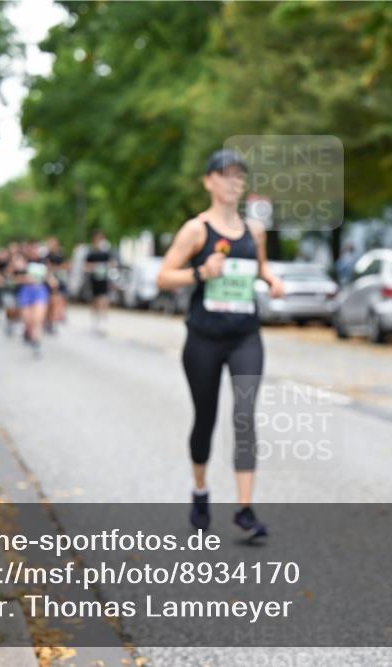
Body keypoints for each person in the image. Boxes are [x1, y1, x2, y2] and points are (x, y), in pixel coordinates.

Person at [157, 149, 285, 542]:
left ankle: (245, 510)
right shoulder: (196, 230)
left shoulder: (254, 231)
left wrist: (271, 280)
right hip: (204, 339)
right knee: (206, 419)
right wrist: (201, 271)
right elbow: (164, 277)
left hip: (245, 335)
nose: (234, 182)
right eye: (226, 175)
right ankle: (200, 493)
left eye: (239, 177)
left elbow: (257, 265)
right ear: (209, 181)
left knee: (244, 417)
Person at [85, 230, 115, 335]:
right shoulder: (91, 253)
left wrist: (107, 266)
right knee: (96, 299)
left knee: (104, 299)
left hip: (104, 279)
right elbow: (87, 267)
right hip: (95, 280)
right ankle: (96, 320)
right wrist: (94, 267)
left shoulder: (106, 252)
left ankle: (103, 320)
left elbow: (113, 263)